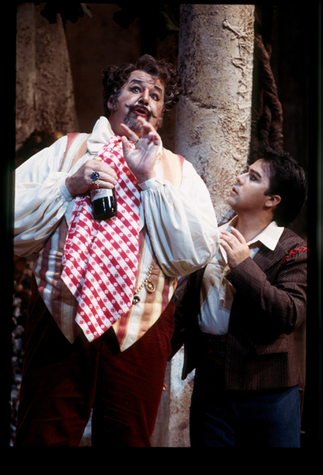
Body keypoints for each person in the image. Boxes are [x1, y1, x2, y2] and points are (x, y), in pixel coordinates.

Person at [14, 54, 219, 446]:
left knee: (127, 436)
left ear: (161, 112)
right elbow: (16, 214)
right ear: (113, 99)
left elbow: (195, 249)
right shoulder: (68, 150)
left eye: (156, 95)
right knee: (43, 432)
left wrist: (148, 180)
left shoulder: (176, 170)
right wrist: (67, 186)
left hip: (138, 324)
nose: (146, 99)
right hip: (62, 313)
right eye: (135, 88)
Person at [171, 147, 307, 448]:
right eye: (246, 171)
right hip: (210, 388)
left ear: (272, 200)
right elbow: (182, 310)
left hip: (268, 394)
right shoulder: (212, 236)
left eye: (253, 177)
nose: (240, 177)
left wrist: (243, 265)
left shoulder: (294, 249)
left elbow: (290, 315)